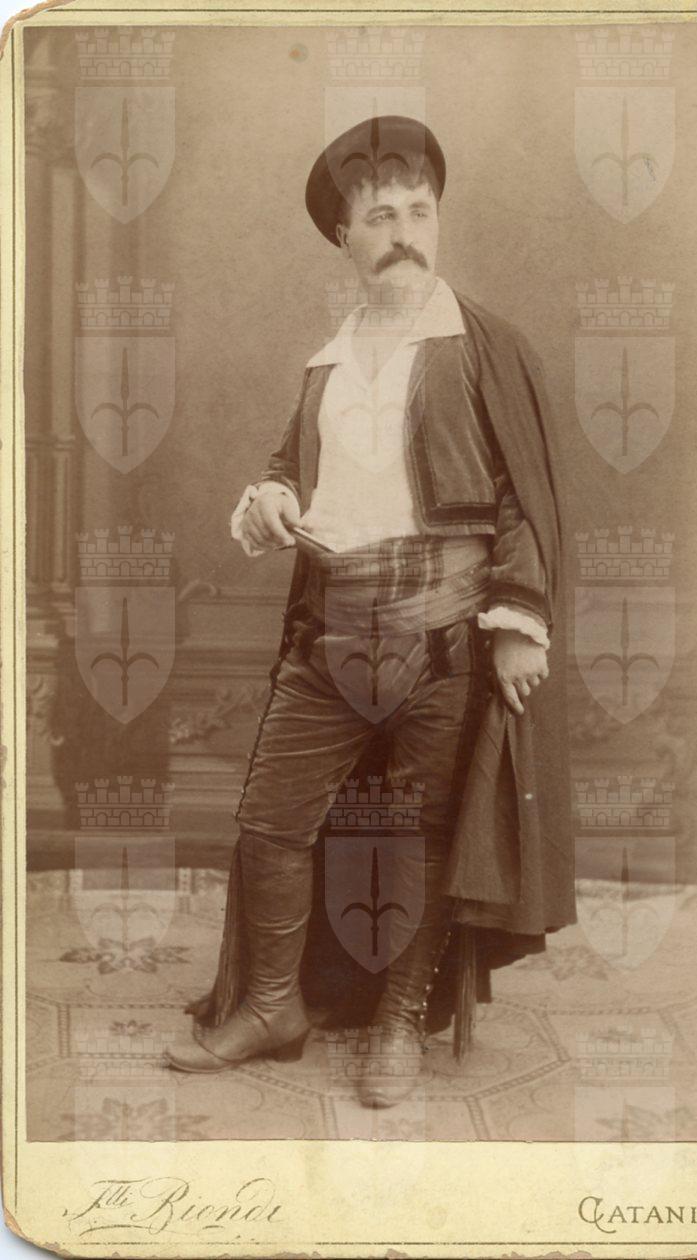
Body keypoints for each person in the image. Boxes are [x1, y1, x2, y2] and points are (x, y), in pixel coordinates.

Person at [164, 115, 574, 1108]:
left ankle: (398, 1022)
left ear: (437, 222)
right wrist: (269, 498)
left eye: (417, 212)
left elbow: (523, 500)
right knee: (270, 822)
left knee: (425, 833)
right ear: (343, 237)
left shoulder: (482, 349)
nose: (401, 233)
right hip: (332, 632)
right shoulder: (329, 361)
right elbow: (286, 466)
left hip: (446, 636)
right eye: (379, 217)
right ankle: (271, 1006)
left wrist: (517, 621)